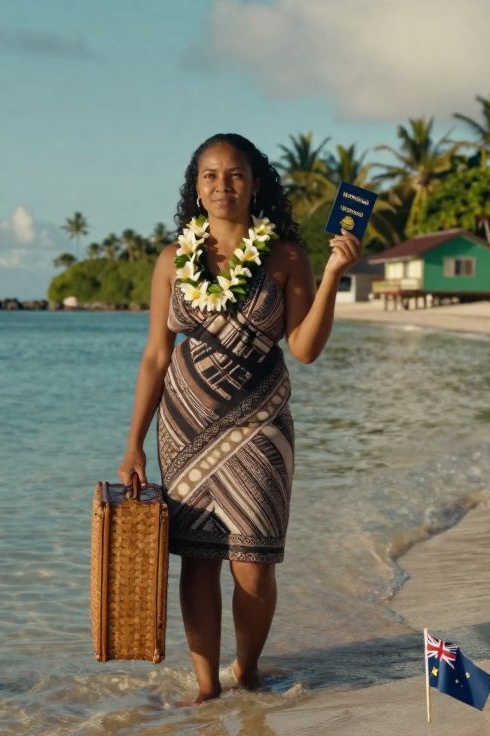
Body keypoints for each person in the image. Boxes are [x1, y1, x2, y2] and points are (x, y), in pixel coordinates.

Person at [117, 132, 360, 704]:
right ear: (195, 188)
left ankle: (246, 670)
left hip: (260, 424)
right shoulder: (172, 260)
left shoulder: (286, 257)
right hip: (184, 425)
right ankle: (207, 687)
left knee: (252, 564)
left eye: (234, 175)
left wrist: (331, 276)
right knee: (198, 563)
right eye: (209, 175)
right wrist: (133, 443)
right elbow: (156, 354)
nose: (221, 185)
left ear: (255, 185)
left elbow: (303, 347)